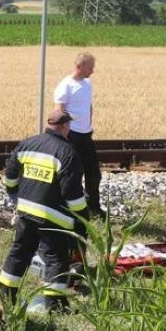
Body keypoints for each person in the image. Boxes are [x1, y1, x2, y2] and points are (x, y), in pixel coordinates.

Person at [0, 108, 89, 313]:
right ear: (65, 126)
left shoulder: (27, 144)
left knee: (19, 253)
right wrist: (83, 218)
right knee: (56, 258)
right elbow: (72, 194)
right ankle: (55, 305)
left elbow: (10, 177)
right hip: (53, 218)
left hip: (26, 213)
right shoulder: (68, 152)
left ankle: (6, 295)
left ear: (49, 124)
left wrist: (16, 197)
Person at [53, 52, 105, 218]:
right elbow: (58, 111)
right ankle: (69, 209)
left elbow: (88, 106)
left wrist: (89, 124)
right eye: (90, 67)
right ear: (80, 66)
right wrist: (62, 135)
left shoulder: (87, 84)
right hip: (71, 135)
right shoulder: (65, 86)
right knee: (72, 175)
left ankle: (94, 207)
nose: (92, 71)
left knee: (94, 173)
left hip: (85, 134)